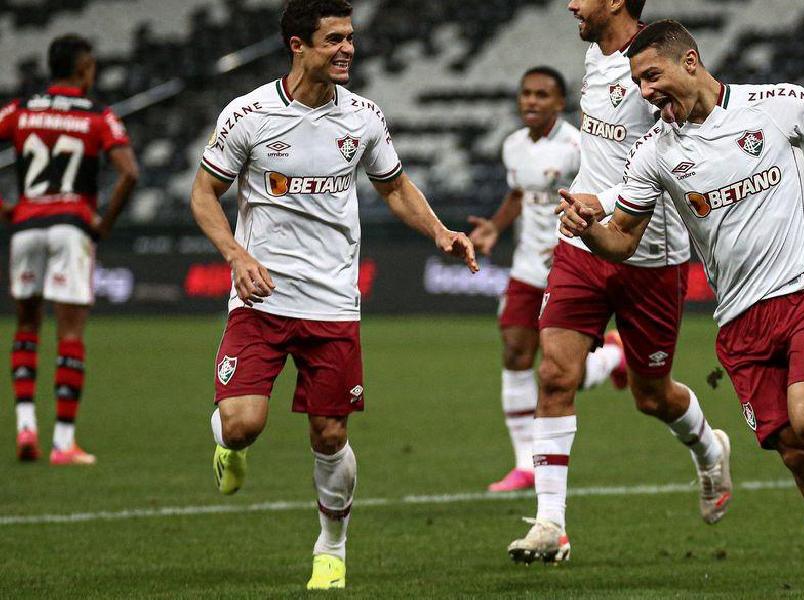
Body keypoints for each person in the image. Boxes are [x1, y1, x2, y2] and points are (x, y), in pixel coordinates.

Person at [558, 21, 804, 599]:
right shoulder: (654, 154)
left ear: (690, 61)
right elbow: (623, 240)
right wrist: (588, 230)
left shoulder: (775, 105)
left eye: (652, 76)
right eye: (637, 83)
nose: (645, 92)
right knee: (796, 450)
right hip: (739, 323)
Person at [189, 0, 476, 589]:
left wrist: (440, 231)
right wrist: (236, 255)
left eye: (350, 38)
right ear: (298, 45)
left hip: (333, 302)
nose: (347, 49)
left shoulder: (364, 118)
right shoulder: (248, 115)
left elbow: (394, 187)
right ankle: (228, 446)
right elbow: (202, 194)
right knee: (241, 425)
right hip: (262, 299)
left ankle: (331, 547)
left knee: (331, 434)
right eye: (334, 39)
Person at [507, 0, 732, 564]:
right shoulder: (593, 51)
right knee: (555, 373)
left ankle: (709, 447)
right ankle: (550, 524)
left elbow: (671, 161)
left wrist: (600, 201)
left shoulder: (657, 72)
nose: (570, 4)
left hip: (649, 254)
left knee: (651, 397)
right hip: (583, 243)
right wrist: (588, 207)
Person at [467, 66, 626, 493]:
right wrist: (495, 228)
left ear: (560, 102)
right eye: (526, 94)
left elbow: (599, 199)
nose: (531, 101)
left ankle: (612, 357)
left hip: (567, 263)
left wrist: (579, 241)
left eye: (542, 95)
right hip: (525, 267)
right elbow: (519, 194)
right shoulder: (513, 146)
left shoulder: (577, 147)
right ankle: (525, 464)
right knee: (516, 352)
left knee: (559, 371)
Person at [0, 34, 139, 465]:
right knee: (70, 334)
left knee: (26, 326)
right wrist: (101, 225)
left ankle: (26, 426)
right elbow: (129, 173)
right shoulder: (98, 115)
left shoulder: (22, 109)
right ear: (83, 70)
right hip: (71, 227)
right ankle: (63, 441)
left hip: (26, 226)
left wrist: (7, 209)